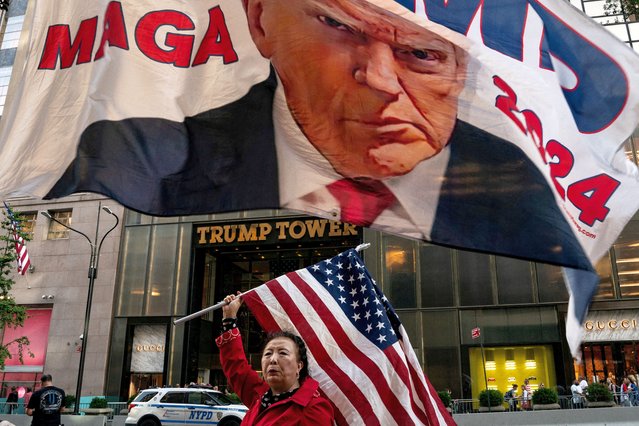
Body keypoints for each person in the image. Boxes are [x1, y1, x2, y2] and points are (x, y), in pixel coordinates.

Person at [217, 293, 334, 424]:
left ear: (299, 366)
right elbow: (237, 369)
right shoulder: (261, 397)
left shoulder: (313, 410)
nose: (273, 359)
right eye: (268, 354)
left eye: (282, 353)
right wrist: (229, 318)